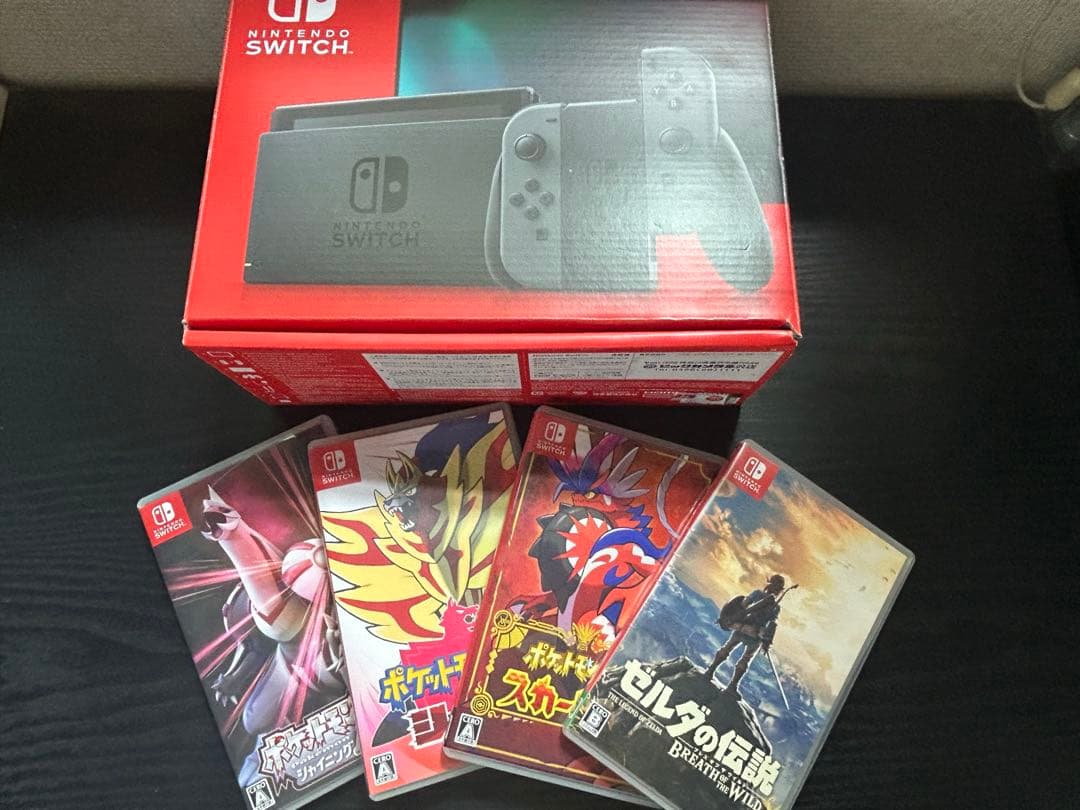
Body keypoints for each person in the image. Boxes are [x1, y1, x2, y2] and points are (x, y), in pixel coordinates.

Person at [705, 574, 785, 694]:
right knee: (741, 656)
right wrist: (766, 639)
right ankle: (729, 684)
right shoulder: (769, 603)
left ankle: (713, 673)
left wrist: (766, 639)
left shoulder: (765, 599)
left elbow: (745, 606)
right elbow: (746, 607)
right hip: (751, 632)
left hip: (745, 629)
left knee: (730, 649)